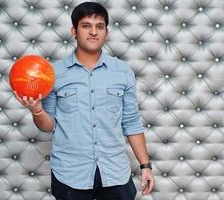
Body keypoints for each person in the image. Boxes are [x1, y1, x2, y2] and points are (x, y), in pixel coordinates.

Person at [13, 1, 155, 200]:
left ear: (107, 32)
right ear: (74, 31)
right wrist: (37, 110)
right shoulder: (53, 74)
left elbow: (131, 122)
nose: (93, 32)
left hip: (115, 172)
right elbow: (48, 126)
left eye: (100, 26)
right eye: (86, 26)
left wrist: (145, 166)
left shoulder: (123, 72)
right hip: (70, 173)